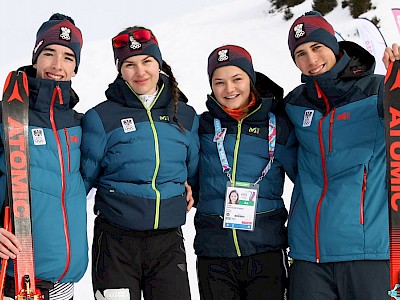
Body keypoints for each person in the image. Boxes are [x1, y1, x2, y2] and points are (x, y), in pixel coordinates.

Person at [285, 11, 400, 300]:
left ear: (334, 44)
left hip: (367, 251)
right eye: (300, 53)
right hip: (309, 255)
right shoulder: (294, 103)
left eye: (317, 48)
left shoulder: (377, 90)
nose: (311, 60)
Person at [80, 26, 199, 300]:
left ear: (159, 64)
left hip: (168, 242)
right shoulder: (101, 118)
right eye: (130, 64)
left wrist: (189, 187)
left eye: (147, 61)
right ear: (120, 71)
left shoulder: (186, 116)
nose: (140, 72)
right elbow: (82, 181)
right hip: (115, 242)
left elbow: (195, 173)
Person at [194, 45, 297, 300]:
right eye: (219, 82)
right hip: (213, 253)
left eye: (237, 79)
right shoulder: (203, 126)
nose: (229, 90)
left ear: (250, 80)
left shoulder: (279, 126)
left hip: (266, 251)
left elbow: (308, 179)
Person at [0, 13, 88, 300]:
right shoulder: (5, 116)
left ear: (75, 68)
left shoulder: (79, 124)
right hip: (13, 278)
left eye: (67, 57)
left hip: (64, 283)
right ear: (35, 57)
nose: (57, 66)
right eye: (49, 53)